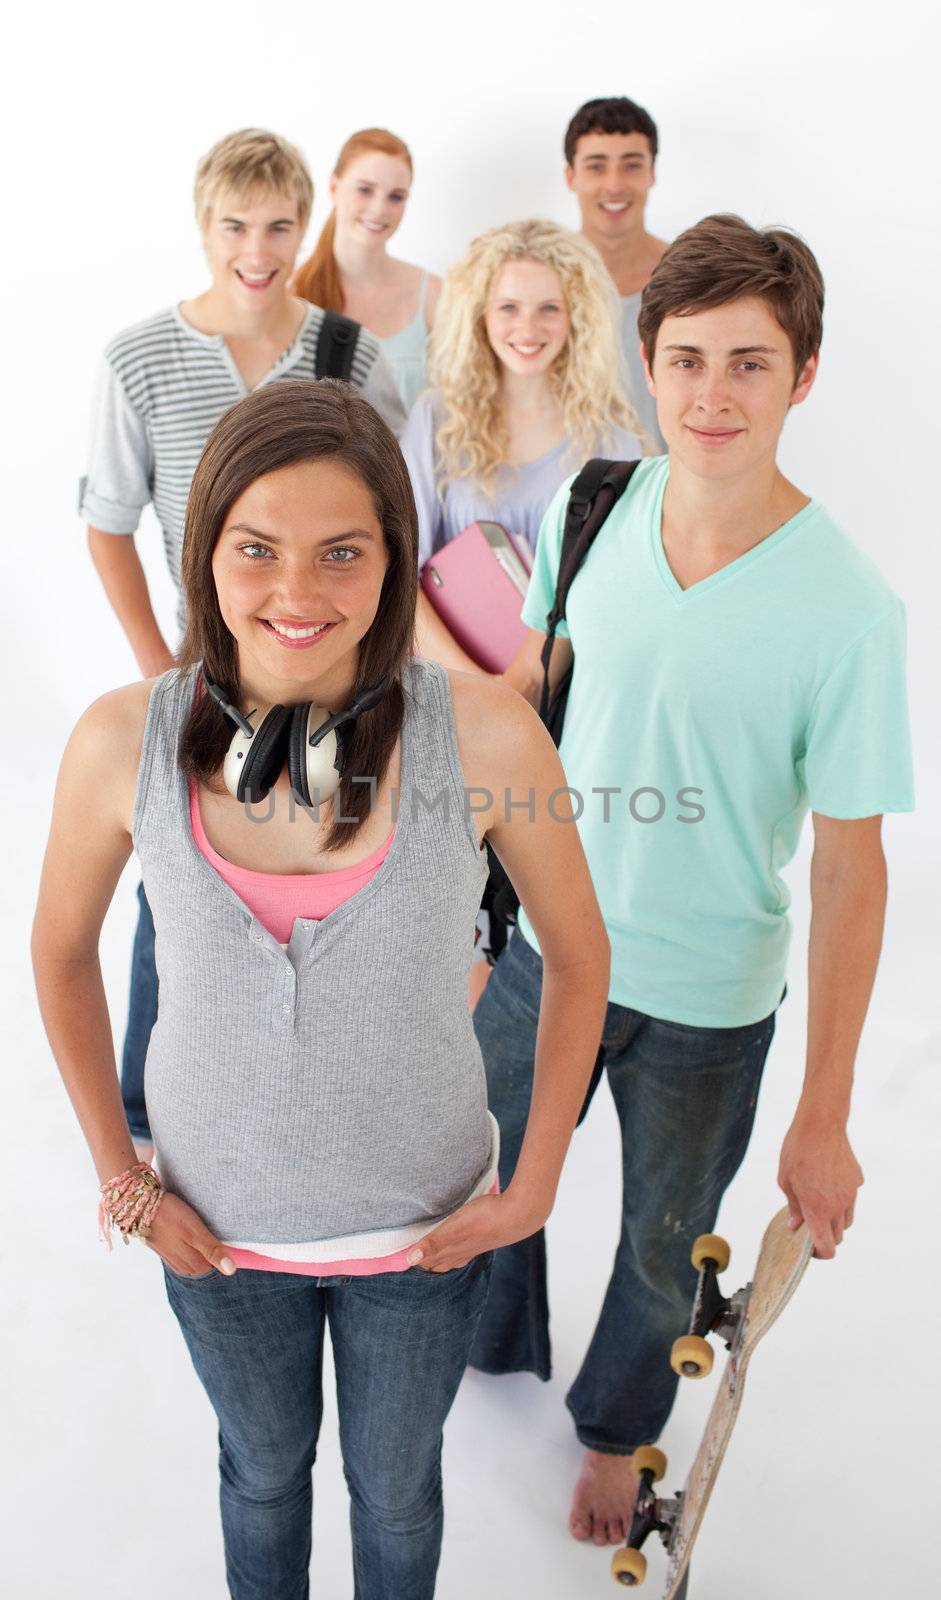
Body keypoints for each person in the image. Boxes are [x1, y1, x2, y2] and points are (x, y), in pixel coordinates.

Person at [34, 380, 609, 1600]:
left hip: (425, 1236)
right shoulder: (114, 741)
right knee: (260, 1471)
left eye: (341, 551)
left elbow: (578, 950)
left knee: (396, 1491)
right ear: (204, 556)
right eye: (257, 550)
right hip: (214, 1235)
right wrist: (123, 1185)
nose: (295, 593)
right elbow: (56, 950)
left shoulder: (493, 736)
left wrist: (538, 1182)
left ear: (395, 564)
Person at [471, 214, 914, 1548]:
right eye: (684, 360)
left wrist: (826, 1108)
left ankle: (616, 1425)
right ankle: (487, 1348)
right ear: (646, 365)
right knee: (481, 1168)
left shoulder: (849, 612)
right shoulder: (590, 504)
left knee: (668, 1244)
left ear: (805, 375)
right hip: (550, 947)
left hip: (709, 1001)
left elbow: (851, 869)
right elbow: (533, 701)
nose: (711, 395)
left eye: (749, 363)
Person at [79, 127, 406, 1160]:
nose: (256, 249)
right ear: (202, 226)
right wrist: (158, 667)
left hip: (340, 665)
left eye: (277, 226)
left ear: (303, 225)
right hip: (206, 671)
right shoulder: (139, 358)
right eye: (234, 226)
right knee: (176, 868)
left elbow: (393, 516)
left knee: (335, 861)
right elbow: (106, 518)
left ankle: (327, 1087)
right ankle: (146, 1107)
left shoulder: (351, 355)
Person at [401, 218, 645, 673]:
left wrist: (529, 685)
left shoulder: (611, 436)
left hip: (569, 692)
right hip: (446, 681)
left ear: (576, 317)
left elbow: (618, 587)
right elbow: (399, 572)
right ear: (481, 315)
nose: (528, 328)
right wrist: (483, 688)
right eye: (508, 307)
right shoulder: (436, 419)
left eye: (549, 308)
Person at [293, 127, 441, 412]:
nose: (379, 209)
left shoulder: (435, 296)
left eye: (396, 197)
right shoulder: (292, 292)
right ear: (334, 187)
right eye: (365, 190)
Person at [564, 95, 668, 451]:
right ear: (570, 176)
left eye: (631, 165)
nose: (614, 184)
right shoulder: (543, 281)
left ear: (652, 172)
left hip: (671, 490)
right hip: (568, 493)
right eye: (596, 166)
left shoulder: (688, 277)